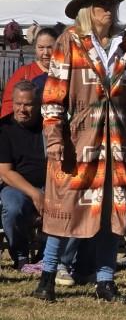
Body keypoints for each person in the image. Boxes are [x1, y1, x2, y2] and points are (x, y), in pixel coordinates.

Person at [33, 0, 126, 303]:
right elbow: (53, 98)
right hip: (77, 141)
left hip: (117, 143)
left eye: (111, 5)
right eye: (102, 6)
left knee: (113, 213)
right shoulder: (70, 41)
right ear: (87, 11)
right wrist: (55, 140)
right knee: (64, 210)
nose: (109, 11)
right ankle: (48, 278)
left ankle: (105, 282)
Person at [0, 82, 46, 271]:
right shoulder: (4, 128)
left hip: (49, 183)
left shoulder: (49, 126)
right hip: (16, 185)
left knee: (61, 205)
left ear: (38, 104)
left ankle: (47, 257)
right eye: (18, 103)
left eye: (27, 104)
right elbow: (5, 172)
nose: (22, 109)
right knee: (13, 207)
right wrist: (36, 195)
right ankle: (20, 257)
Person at [2, 28, 57, 118]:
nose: (46, 52)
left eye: (50, 47)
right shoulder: (24, 73)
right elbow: (8, 105)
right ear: (35, 48)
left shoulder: (65, 72)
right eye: (41, 47)